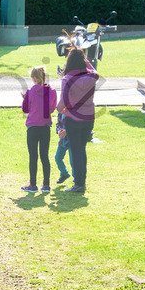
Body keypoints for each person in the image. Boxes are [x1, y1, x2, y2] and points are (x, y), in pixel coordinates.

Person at [57, 48, 98, 194]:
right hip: (88, 119)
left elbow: (63, 102)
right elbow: (94, 71)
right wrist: (86, 61)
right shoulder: (92, 77)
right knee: (82, 150)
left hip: (73, 119)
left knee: (76, 151)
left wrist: (58, 109)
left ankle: (79, 184)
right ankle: (82, 182)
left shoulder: (67, 79)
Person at [20, 66, 57, 193]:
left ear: (34, 78)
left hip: (32, 126)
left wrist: (25, 98)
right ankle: (46, 184)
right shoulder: (52, 91)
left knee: (33, 156)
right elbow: (52, 108)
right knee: (44, 156)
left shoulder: (31, 91)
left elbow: (25, 109)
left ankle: (33, 184)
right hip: (45, 126)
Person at [54, 111, 72, 185]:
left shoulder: (73, 112)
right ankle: (64, 173)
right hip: (63, 141)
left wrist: (67, 131)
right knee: (58, 158)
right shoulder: (61, 112)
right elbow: (58, 123)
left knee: (73, 161)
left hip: (72, 141)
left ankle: (77, 181)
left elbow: (76, 125)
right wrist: (59, 131)